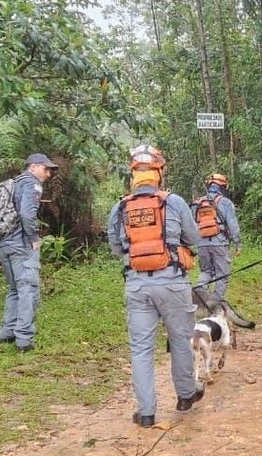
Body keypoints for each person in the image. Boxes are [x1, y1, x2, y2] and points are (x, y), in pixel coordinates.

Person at [107, 144, 204, 428]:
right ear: (159, 172)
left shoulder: (121, 206)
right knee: (180, 341)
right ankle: (186, 395)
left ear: (133, 174)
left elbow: (116, 248)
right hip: (173, 282)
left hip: (137, 285)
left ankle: (146, 412)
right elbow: (194, 238)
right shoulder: (173, 202)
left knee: (140, 350)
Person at [0, 153, 58, 353]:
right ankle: (24, 339)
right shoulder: (32, 184)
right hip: (20, 244)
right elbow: (26, 214)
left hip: (1, 243)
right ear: (34, 167)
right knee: (28, 289)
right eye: (46, 169)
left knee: (15, 288)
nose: (48, 174)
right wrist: (34, 239)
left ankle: (7, 332)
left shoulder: (12, 183)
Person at [193, 173, 241, 301]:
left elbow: (192, 224)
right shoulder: (225, 202)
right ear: (223, 187)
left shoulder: (198, 203)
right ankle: (216, 302)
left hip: (202, 243)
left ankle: (200, 290)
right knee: (223, 274)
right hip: (219, 243)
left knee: (206, 272)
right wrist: (237, 243)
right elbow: (233, 224)